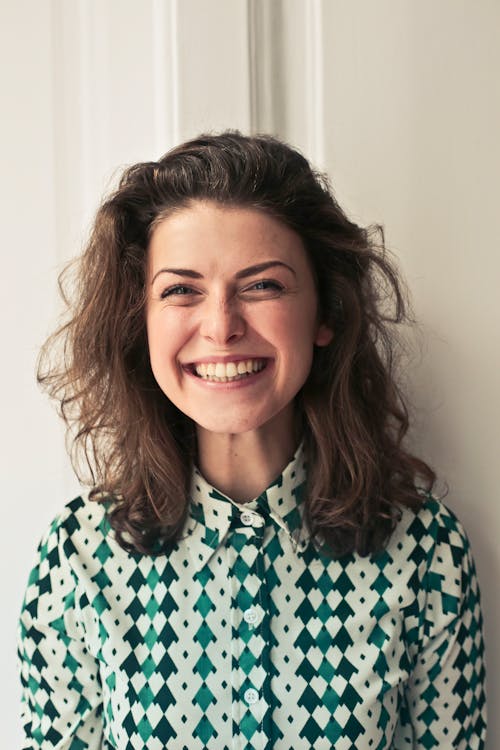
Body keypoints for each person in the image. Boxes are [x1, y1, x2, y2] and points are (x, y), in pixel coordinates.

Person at [18, 132, 487, 749]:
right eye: (181, 290)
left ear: (326, 314)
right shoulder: (75, 557)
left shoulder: (426, 552)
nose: (221, 326)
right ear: (141, 322)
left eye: (262, 285)